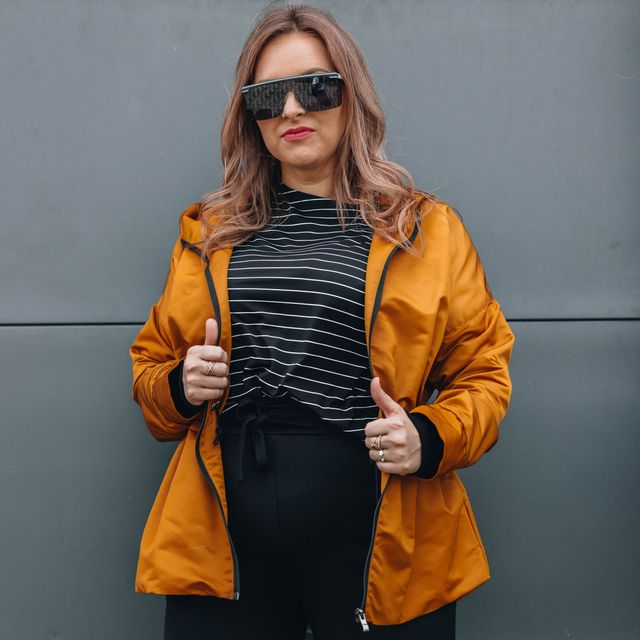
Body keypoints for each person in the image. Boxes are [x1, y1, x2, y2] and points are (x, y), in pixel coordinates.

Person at [129, 4, 515, 639]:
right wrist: (181, 384)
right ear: (249, 116)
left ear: (350, 95)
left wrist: (428, 437)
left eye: (315, 87)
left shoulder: (423, 230)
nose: (290, 110)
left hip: (379, 529)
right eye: (267, 95)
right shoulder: (209, 233)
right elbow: (150, 374)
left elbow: (484, 372)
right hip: (226, 538)